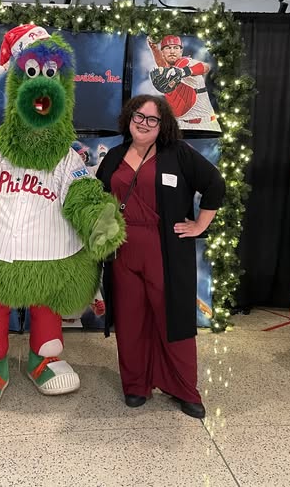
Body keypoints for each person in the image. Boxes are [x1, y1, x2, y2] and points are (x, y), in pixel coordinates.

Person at [96, 94, 225, 419]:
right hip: (122, 251)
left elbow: (215, 184)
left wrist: (199, 225)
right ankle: (136, 385)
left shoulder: (178, 154)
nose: (144, 123)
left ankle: (184, 388)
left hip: (165, 251)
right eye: (139, 116)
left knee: (174, 321)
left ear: (163, 124)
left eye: (152, 119)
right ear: (129, 117)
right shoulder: (113, 157)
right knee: (130, 320)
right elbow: (96, 199)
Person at [147, 35, 221, 132]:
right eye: (168, 48)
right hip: (180, 124)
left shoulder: (186, 62)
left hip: (204, 125)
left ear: (181, 51)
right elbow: (163, 64)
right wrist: (154, 48)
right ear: (163, 53)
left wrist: (184, 71)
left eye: (176, 48)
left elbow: (205, 67)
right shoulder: (168, 71)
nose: (172, 51)